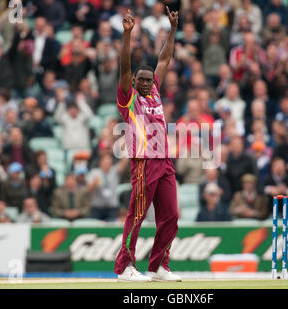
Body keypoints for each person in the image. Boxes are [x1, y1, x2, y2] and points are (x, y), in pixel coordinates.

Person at [113, 8, 181, 282]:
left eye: (148, 80)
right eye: (140, 79)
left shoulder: (154, 92)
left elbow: (164, 58)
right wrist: (127, 34)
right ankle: (125, 267)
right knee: (137, 214)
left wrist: (174, 30)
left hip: (164, 161)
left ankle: (157, 266)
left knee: (172, 215)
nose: (144, 83)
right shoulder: (128, 97)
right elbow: (125, 67)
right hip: (143, 161)